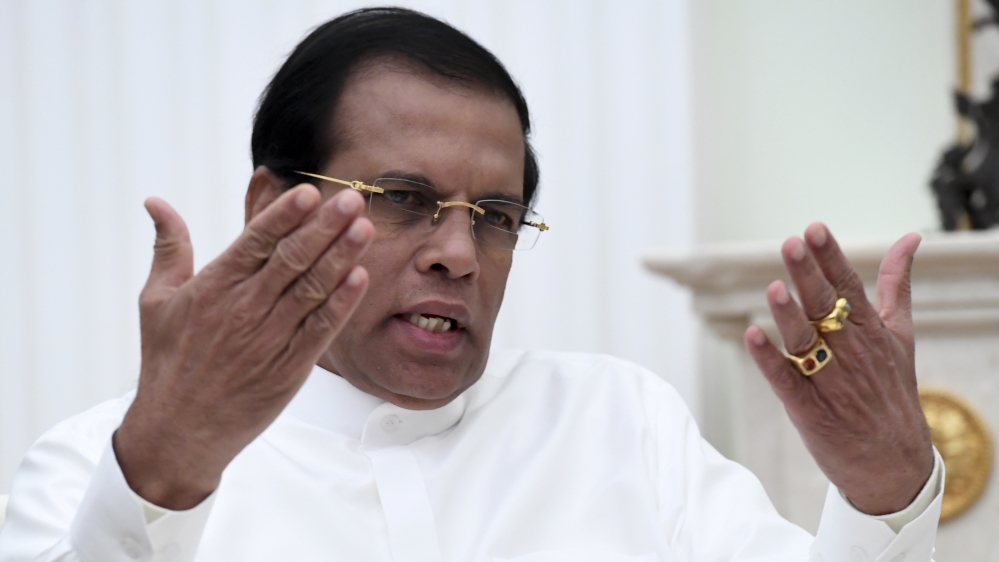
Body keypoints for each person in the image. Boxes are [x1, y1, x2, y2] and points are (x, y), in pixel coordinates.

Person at [0, 7, 941, 562]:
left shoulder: (621, 423)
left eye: (494, 215)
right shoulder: (102, 467)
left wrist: (887, 494)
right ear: (272, 207)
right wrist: (163, 475)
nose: (459, 251)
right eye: (405, 199)